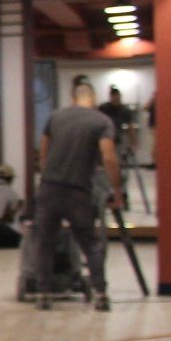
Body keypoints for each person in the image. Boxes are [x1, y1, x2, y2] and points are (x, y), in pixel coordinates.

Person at [33, 78, 122, 311]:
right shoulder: (102, 121)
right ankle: (101, 293)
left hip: (49, 188)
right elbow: (109, 157)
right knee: (90, 242)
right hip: (78, 192)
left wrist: (48, 177)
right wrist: (117, 191)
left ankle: (43, 293)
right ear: (92, 99)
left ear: (73, 99)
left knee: (44, 242)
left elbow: (42, 153)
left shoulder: (56, 117)